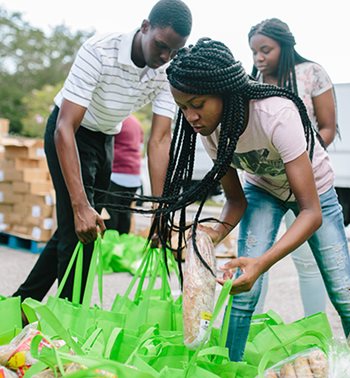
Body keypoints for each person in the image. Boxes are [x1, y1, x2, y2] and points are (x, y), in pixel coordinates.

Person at [158, 37, 350, 362]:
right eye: (183, 108)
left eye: (198, 103)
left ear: (225, 91)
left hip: (315, 192)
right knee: (243, 291)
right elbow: (236, 203)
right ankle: (232, 366)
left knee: (343, 291)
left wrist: (261, 263)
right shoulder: (211, 130)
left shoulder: (275, 114)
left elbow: (311, 212)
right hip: (262, 191)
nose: (191, 116)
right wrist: (206, 236)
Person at [13, 0, 192, 303]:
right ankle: (69, 324)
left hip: (106, 138)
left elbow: (160, 140)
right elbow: (65, 127)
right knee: (80, 231)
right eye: (161, 46)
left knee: (81, 225)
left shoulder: (166, 70)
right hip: (70, 134)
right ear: (145, 27)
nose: (165, 57)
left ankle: (20, 305)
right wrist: (80, 204)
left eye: (173, 51)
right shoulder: (100, 50)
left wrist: (161, 211)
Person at [248, 17, 338, 316]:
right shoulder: (253, 84)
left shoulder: (311, 73)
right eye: (254, 52)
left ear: (285, 47)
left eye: (266, 50)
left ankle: (313, 329)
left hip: (306, 181)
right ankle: (251, 330)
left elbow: (327, 127)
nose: (259, 58)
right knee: (254, 262)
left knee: (307, 261)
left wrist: (300, 156)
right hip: (264, 185)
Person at [104, 115, 144, 234]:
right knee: (125, 213)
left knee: (111, 214)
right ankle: (122, 244)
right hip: (134, 176)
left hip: (117, 174)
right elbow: (140, 145)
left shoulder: (116, 120)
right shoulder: (136, 122)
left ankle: (111, 246)